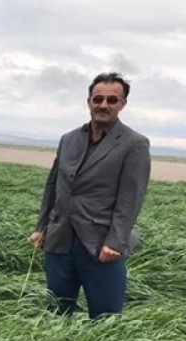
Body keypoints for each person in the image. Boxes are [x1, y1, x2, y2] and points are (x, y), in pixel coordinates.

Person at [30, 72, 151, 319]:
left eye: (111, 100)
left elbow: (131, 198)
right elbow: (53, 186)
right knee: (56, 312)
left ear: (122, 104)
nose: (103, 105)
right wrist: (42, 227)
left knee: (105, 317)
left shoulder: (134, 144)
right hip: (60, 239)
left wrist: (115, 242)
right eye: (98, 99)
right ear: (89, 101)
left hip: (101, 244)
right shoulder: (69, 139)